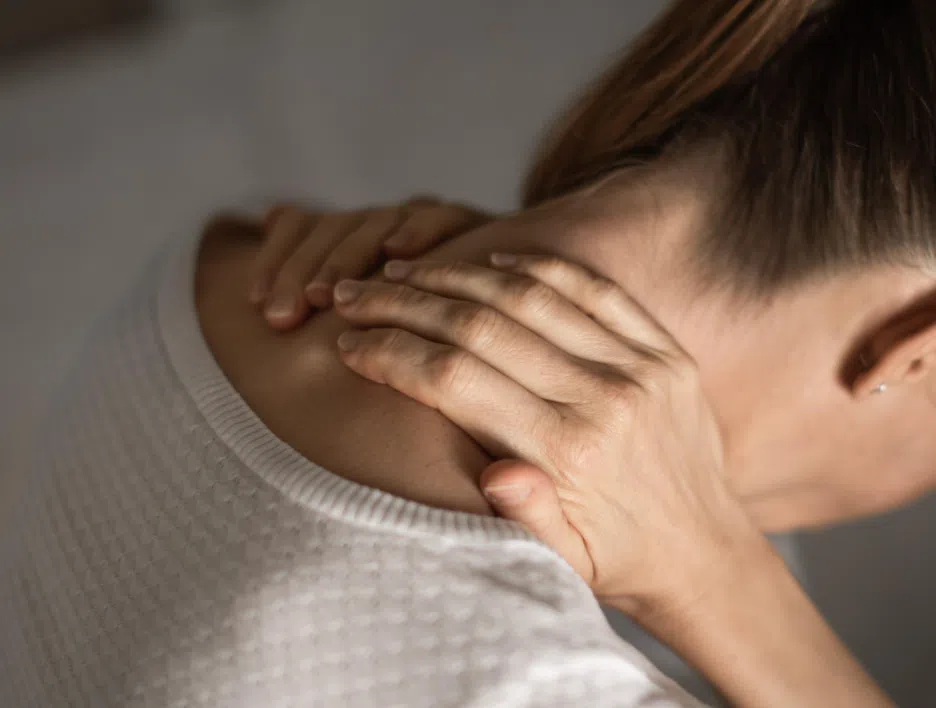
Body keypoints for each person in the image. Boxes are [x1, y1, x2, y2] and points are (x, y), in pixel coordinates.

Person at [0, 0, 925, 706]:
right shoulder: (545, 679)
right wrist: (732, 589)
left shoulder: (239, 252)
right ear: (915, 351)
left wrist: (716, 573)